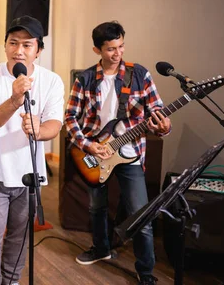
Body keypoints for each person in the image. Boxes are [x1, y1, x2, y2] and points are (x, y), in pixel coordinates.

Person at [64, 21, 171, 285]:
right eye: (111, 48)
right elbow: (70, 116)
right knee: (96, 208)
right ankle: (101, 249)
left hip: (131, 153)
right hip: (94, 152)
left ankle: (145, 272)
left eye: (121, 46)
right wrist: (87, 144)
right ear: (96, 49)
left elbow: (157, 111)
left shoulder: (140, 75)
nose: (117, 53)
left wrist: (164, 127)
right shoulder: (86, 79)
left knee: (141, 215)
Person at [0, 15, 64, 285]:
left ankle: (11, 281)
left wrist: (40, 129)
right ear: (5, 46)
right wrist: (14, 100)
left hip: (29, 175)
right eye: (13, 43)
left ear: (38, 50)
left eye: (27, 44)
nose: (19, 50)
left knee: (20, 235)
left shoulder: (52, 81)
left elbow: (54, 125)